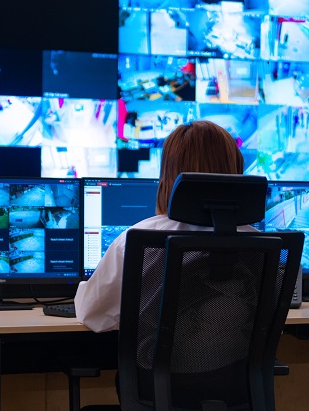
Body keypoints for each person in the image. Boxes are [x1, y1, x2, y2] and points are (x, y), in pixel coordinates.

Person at [75, 119, 244, 333]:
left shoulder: (138, 240)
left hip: (157, 364)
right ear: (235, 168)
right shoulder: (261, 244)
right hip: (238, 364)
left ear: (168, 174)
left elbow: (93, 314)